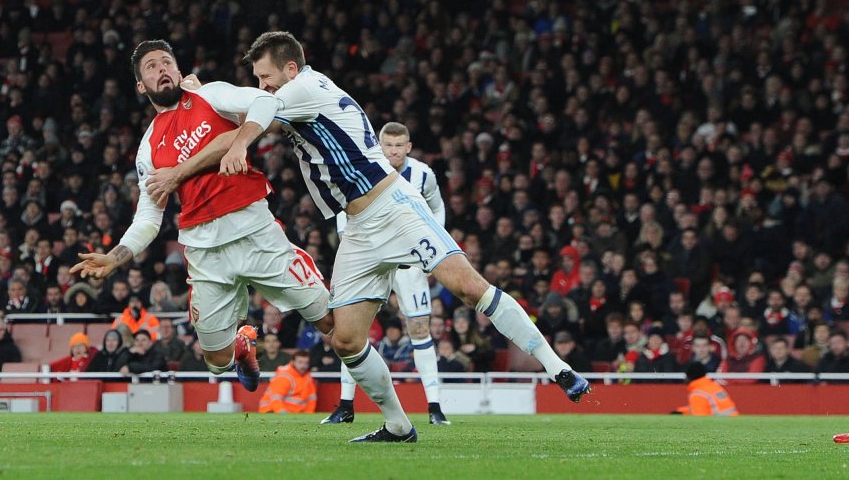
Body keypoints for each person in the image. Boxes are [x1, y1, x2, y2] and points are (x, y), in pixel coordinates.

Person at [228, 31, 590, 442]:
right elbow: (253, 107)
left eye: (266, 77)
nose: (263, 86)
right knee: (345, 339)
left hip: (394, 207)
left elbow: (256, 112)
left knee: (469, 289)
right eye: (258, 80)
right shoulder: (294, 97)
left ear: (291, 69)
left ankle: (558, 368)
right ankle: (398, 426)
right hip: (358, 228)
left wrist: (232, 135)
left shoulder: (305, 88)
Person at [70, 40, 333, 393]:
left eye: (167, 62)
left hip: (253, 229)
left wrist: (233, 144)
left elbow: (264, 101)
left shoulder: (211, 95)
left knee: (329, 321)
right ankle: (242, 346)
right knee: (217, 361)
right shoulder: (148, 147)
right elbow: (149, 216)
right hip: (204, 251)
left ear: (179, 71)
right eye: (151, 66)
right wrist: (116, 257)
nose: (162, 69)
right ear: (141, 86)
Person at [323, 121, 451, 426]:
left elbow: (437, 208)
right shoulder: (362, 169)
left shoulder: (423, 174)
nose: (393, 151)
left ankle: (434, 408)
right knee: (351, 329)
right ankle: (345, 405)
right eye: (388, 145)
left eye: (399, 146)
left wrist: (430, 246)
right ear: (379, 146)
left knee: (419, 329)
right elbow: (344, 210)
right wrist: (350, 245)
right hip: (371, 260)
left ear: (408, 147)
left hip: (408, 263)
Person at [673, 361, 740, 416]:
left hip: (721, 426)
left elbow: (699, 419)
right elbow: (709, 407)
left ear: (689, 377)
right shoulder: (715, 386)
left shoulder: (698, 394)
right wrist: (682, 411)